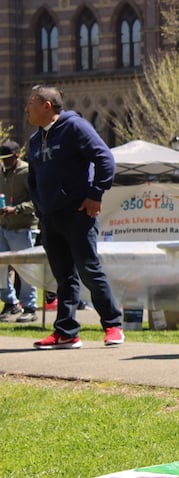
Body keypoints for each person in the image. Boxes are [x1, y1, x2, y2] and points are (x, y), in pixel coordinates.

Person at [25, 85, 124, 349]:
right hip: (50, 217)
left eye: (31, 103)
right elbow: (33, 178)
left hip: (77, 214)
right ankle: (67, 332)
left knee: (89, 270)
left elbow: (104, 158)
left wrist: (95, 194)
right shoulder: (35, 139)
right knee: (64, 277)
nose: (27, 109)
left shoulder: (75, 127)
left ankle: (113, 325)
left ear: (47, 106)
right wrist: (40, 207)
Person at [0, 141, 39, 323]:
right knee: (0, 269)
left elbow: (37, 201)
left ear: (16, 156)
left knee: (25, 269)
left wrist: (16, 209)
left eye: (7, 159)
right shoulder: (1, 172)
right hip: (3, 226)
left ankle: (30, 307)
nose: (4, 163)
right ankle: (10, 302)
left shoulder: (28, 172)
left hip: (23, 227)